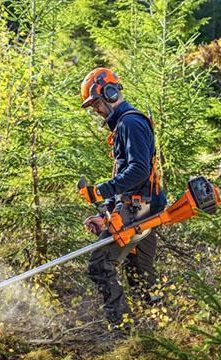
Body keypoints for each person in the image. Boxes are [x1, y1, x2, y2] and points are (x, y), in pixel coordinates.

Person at [78, 67, 167, 328]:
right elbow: (125, 174)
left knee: (99, 264)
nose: (96, 110)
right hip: (140, 204)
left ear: (109, 92)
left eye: (96, 104)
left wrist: (102, 189)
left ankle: (122, 327)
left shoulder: (131, 123)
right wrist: (106, 214)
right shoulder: (124, 125)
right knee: (140, 272)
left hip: (141, 206)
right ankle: (155, 327)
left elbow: (138, 170)